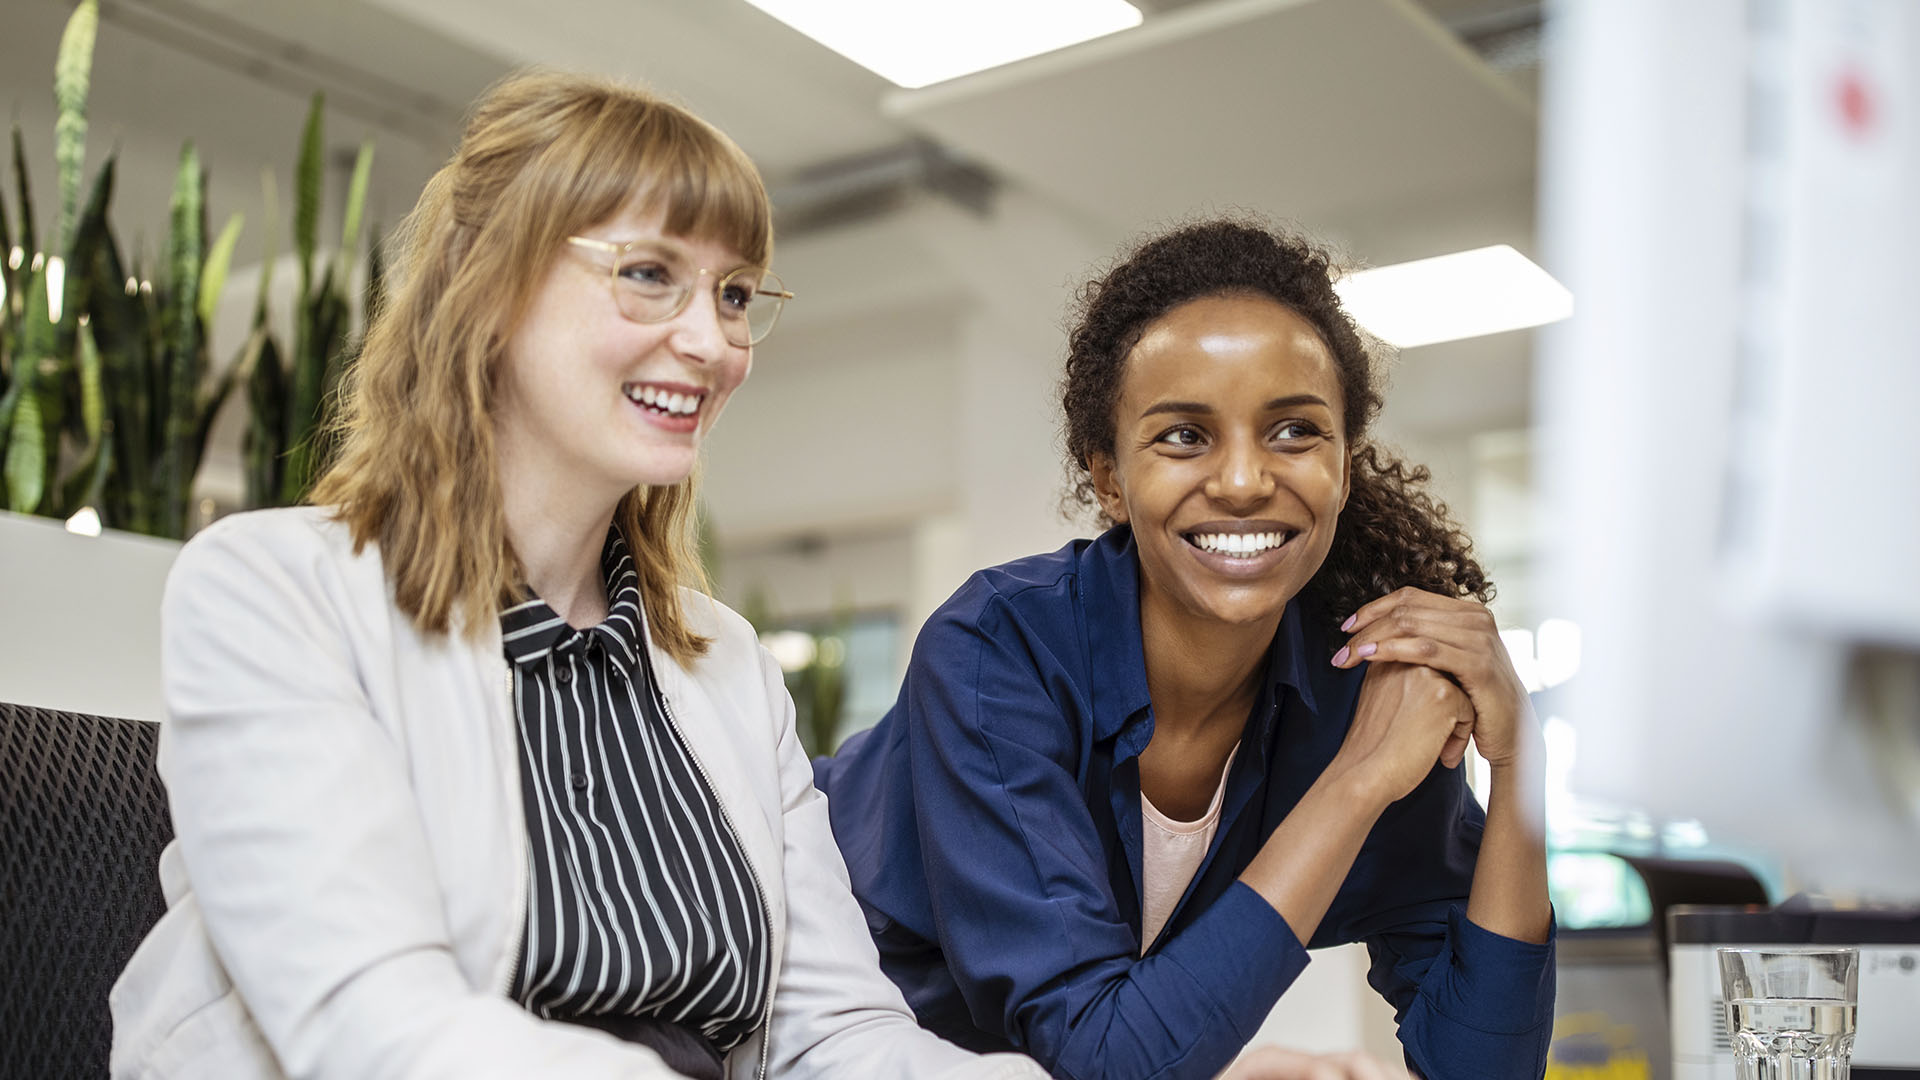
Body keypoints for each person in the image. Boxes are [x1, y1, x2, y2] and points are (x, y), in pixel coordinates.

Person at [108, 71, 1049, 1080]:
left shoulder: (725, 663)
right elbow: (374, 1027)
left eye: (735, 293)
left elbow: (836, 1035)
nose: (710, 341)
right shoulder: (272, 592)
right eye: (649, 274)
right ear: (486, 281)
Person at [814, 218, 1557, 1080]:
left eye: (1293, 432)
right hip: (810, 1038)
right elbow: (1107, 1057)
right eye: (1183, 436)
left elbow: (1484, 1070)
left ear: (1345, 469)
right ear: (1108, 478)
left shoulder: (1367, 682)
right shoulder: (999, 649)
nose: (1244, 482)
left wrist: (1519, 761)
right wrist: (1357, 783)